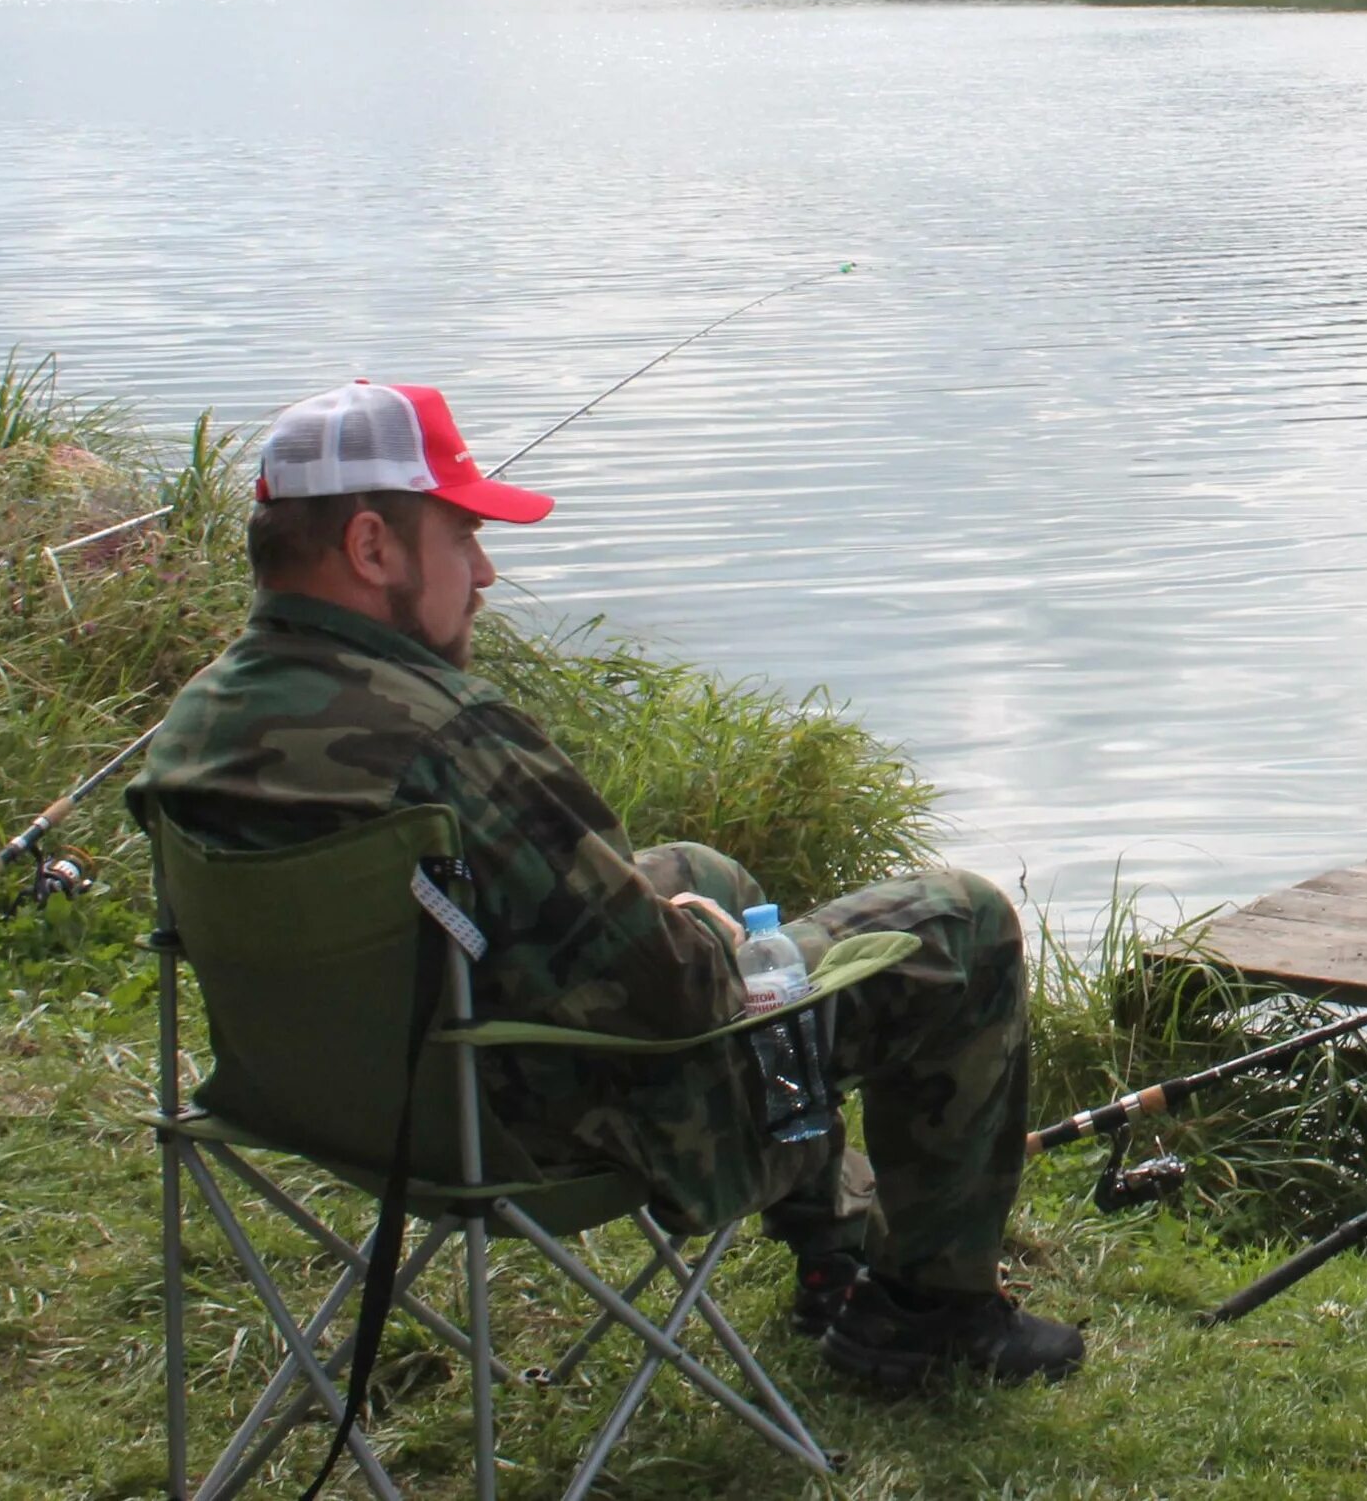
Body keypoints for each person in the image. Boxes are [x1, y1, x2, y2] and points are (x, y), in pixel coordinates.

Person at [128, 381, 1081, 1388]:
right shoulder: (446, 737)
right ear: (372, 547)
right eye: (462, 537)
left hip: (337, 1104)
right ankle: (927, 1314)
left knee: (699, 871)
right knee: (962, 922)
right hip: (527, 1131)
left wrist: (688, 910)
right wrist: (736, 952)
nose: (486, 572)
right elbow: (681, 997)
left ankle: (833, 1249)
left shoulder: (195, 725)